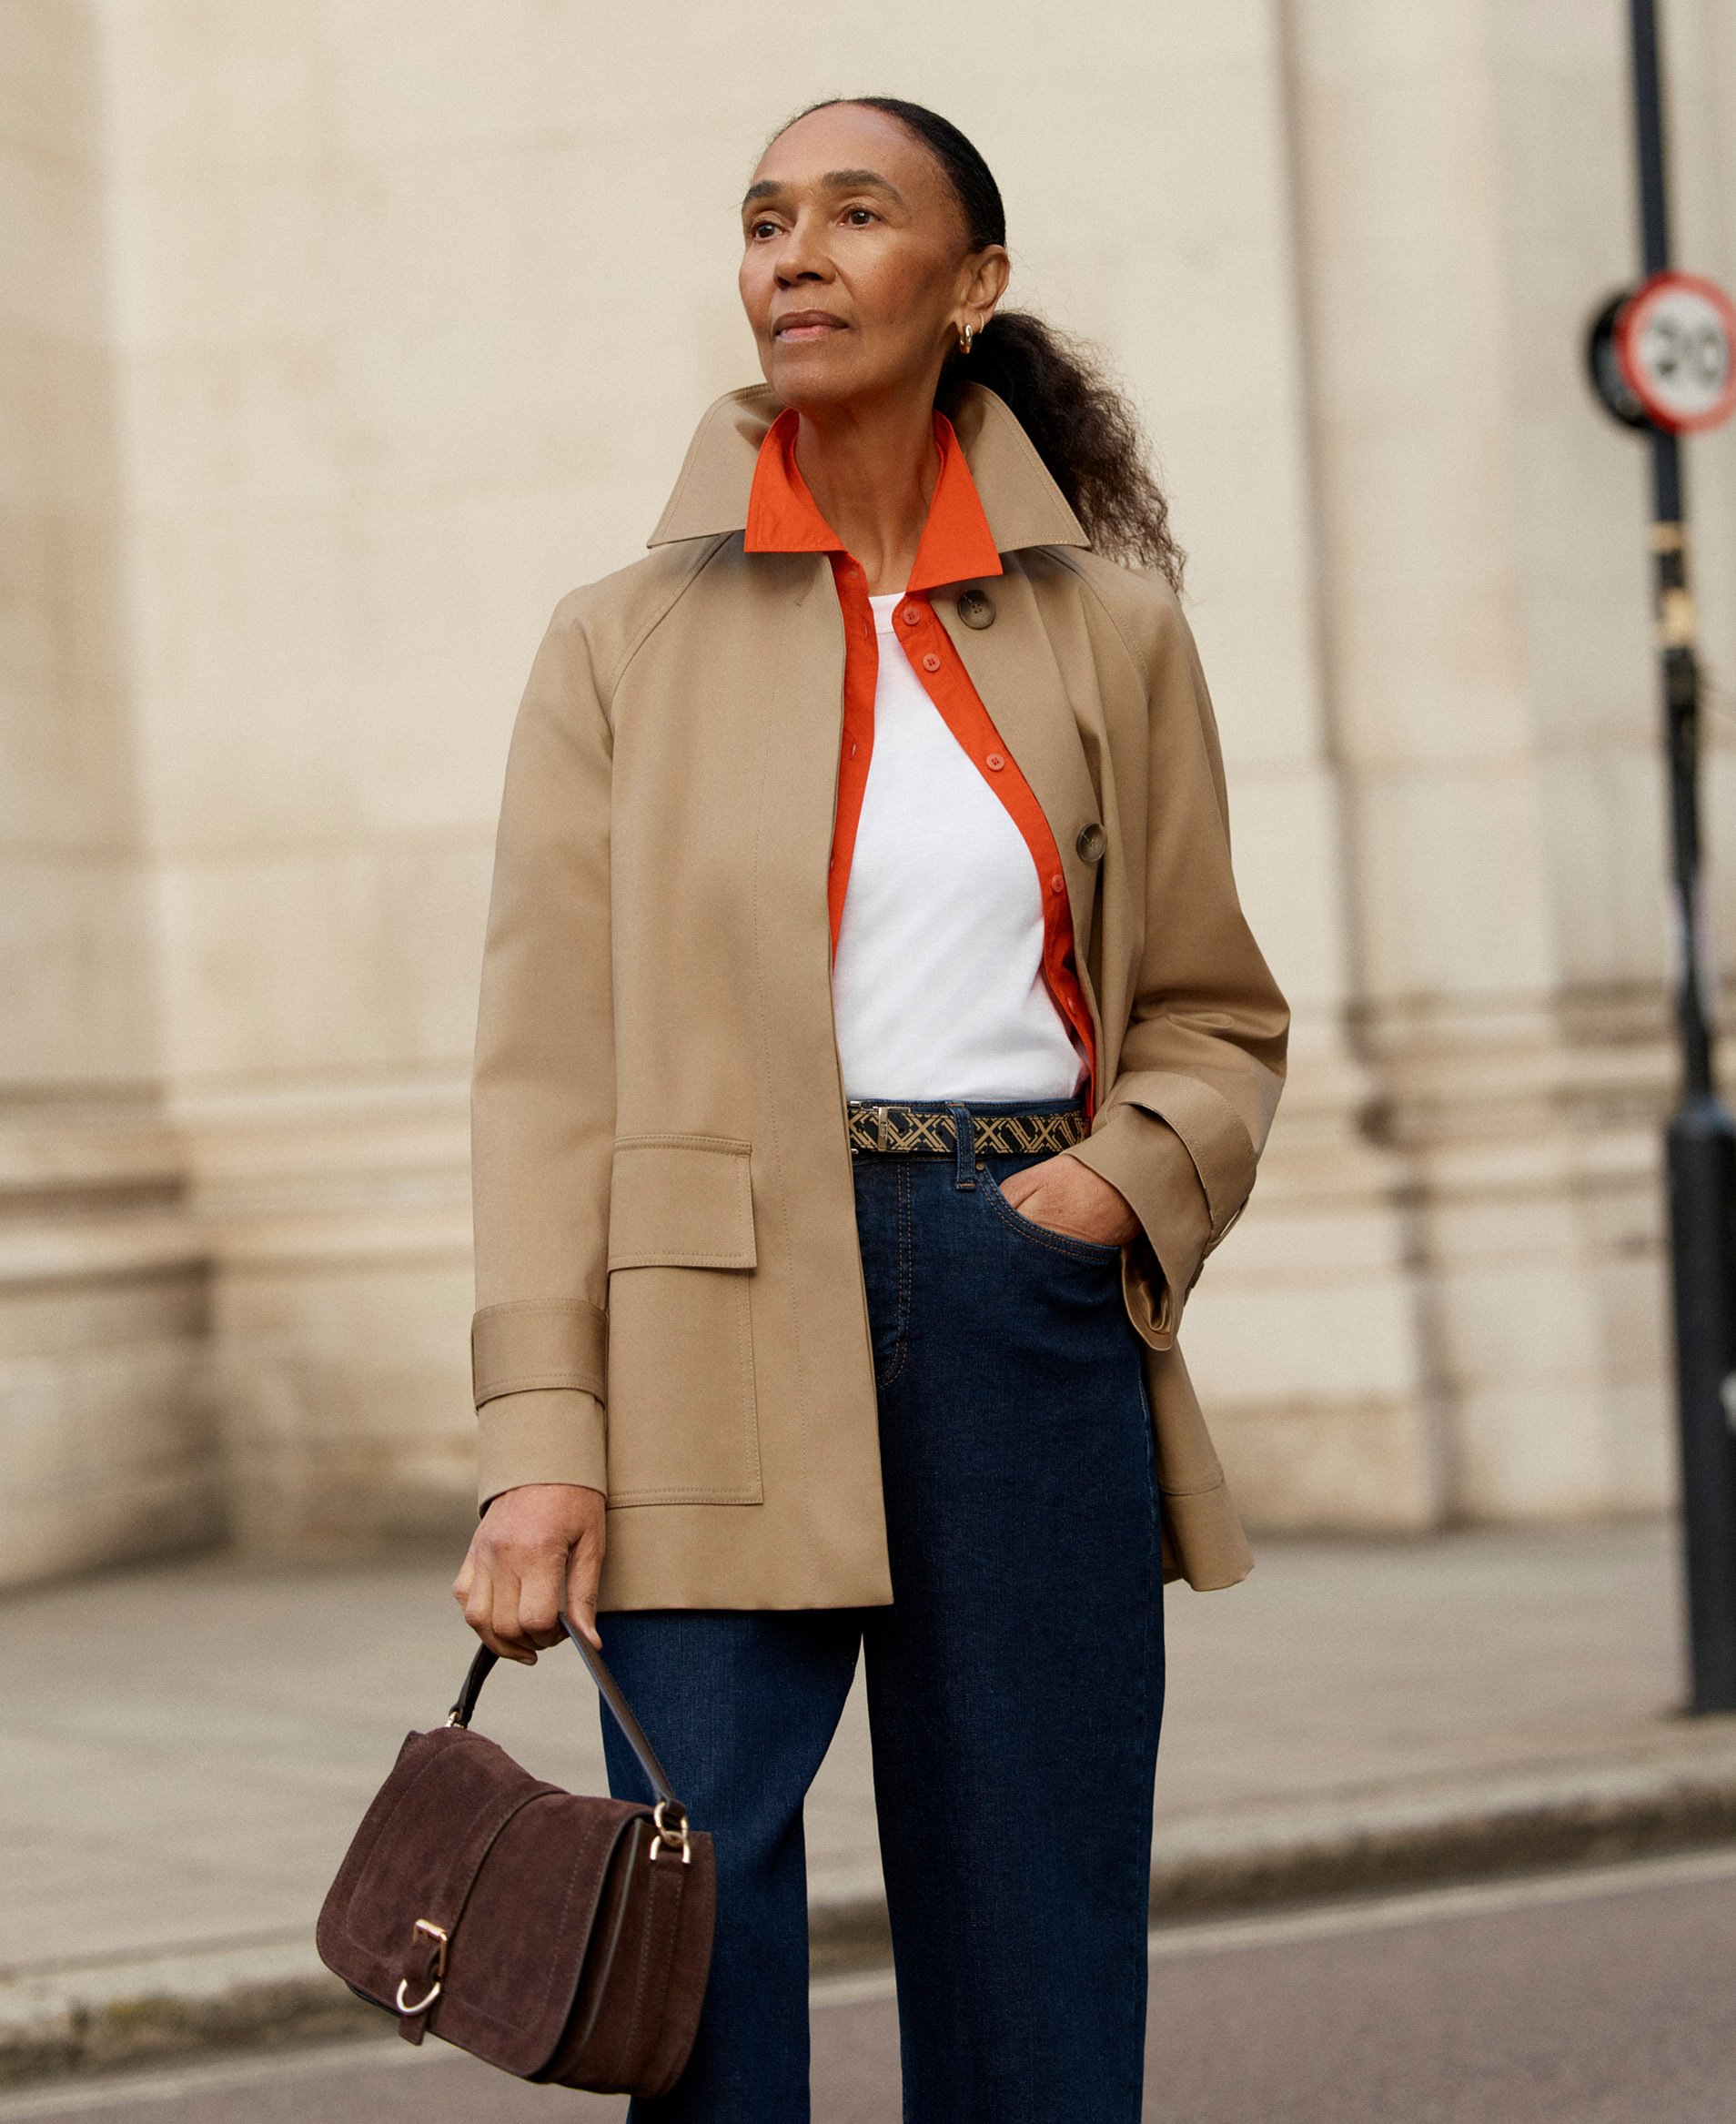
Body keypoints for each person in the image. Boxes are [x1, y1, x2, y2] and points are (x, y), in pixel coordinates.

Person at [452, 95, 1288, 2124]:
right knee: (698, 1905)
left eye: (855, 213)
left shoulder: (1115, 635)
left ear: (972, 283)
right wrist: (538, 1444)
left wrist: (1113, 1188)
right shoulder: (619, 642)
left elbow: (1212, 1017)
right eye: (764, 220)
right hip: (706, 1315)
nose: (795, 253)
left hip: (1019, 1290)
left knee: (1033, 1902)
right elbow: (547, 1070)